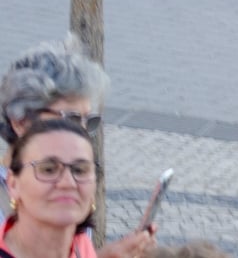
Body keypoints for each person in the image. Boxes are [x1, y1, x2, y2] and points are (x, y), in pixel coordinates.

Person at [1, 35, 156, 258]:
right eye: (70, 119)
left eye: (88, 121)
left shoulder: (71, 203)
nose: (81, 132)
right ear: (20, 121)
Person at [3, 119, 101, 258]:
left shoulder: (80, 244)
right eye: (48, 169)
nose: (68, 183)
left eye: (80, 170)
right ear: (13, 184)